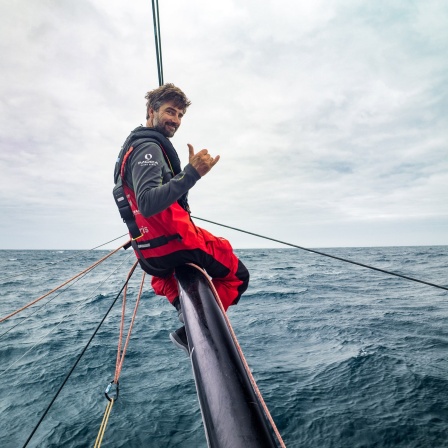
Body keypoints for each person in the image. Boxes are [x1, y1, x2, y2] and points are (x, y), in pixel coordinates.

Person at [113, 83, 249, 354]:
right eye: (169, 111)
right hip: (174, 243)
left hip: (149, 254)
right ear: (151, 111)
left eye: (180, 115)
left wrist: (183, 176)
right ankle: (198, 330)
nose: (175, 120)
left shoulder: (134, 147)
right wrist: (192, 174)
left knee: (165, 280)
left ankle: (187, 318)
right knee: (238, 275)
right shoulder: (148, 148)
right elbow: (149, 202)